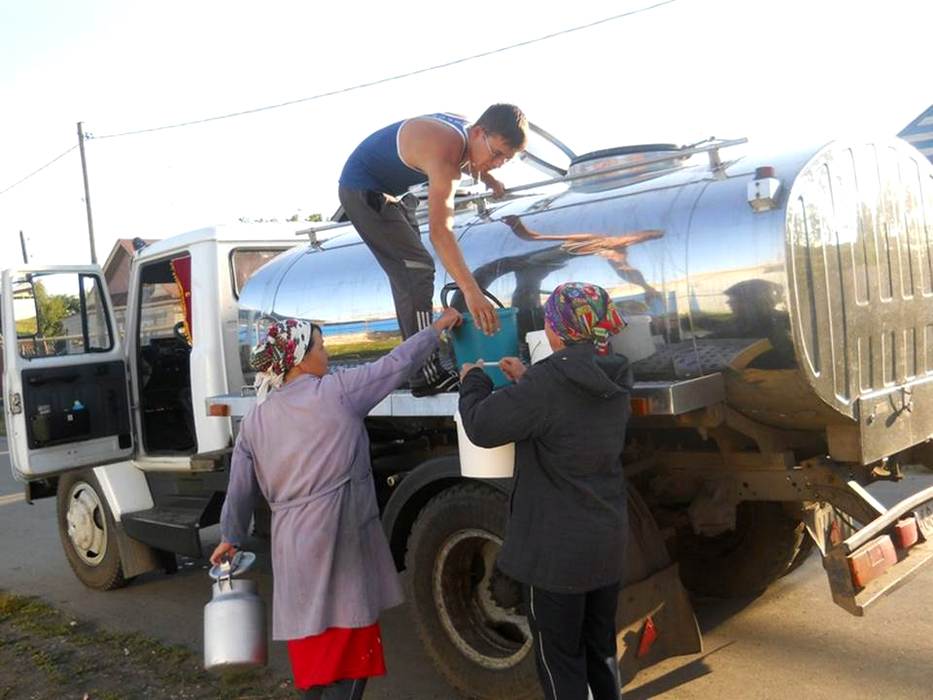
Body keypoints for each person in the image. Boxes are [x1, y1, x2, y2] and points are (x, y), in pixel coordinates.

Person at [210, 306, 462, 700]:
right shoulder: (337, 393)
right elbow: (395, 364)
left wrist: (231, 536)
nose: (326, 354)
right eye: (321, 347)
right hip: (338, 540)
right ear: (299, 356)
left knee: (315, 664)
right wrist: (437, 329)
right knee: (348, 662)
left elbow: (239, 487)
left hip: (292, 548)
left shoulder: (256, 421)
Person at [457, 282, 631, 700]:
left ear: (556, 329)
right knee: (601, 652)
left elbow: (482, 425)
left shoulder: (547, 384)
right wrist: (529, 378)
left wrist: (473, 379)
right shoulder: (617, 369)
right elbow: (570, 403)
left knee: (561, 662)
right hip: (606, 542)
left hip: (557, 557)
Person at [338, 104, 528, 395]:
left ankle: (411, 362)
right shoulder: (446, 154)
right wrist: (472, 291)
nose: (499, 162)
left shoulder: (467, 135)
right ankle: (424, 374)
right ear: (479, 132)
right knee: (417, 270)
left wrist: (487, 176)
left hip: (396, 192)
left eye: (507, 159)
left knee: (411, 272)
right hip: (363, 189)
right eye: (497, 154)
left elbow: (471, 156)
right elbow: (441, 233)